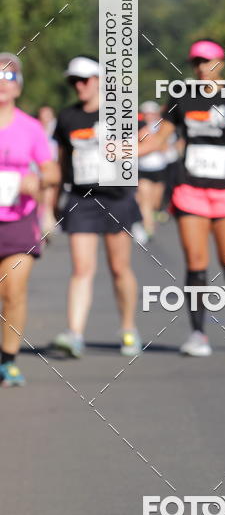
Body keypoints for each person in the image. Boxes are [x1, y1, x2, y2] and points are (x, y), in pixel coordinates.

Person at [142, 40, 225, 356]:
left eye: (207, 61)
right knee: (196, 263)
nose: (201, 67)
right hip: (190, 189)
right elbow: (161, 138)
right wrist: (127, 152)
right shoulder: (181, 97)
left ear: (220, 63)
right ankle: (198, 334)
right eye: (196, 62)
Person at [51, 56, 143, 358]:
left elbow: (151, 141)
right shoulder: (66, 118)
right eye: (73, 81)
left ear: (100, 80)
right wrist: (55, 199)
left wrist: (125, 150)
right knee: (81, 269)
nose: (79, 85)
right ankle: (74, 334)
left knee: (119, 268)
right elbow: (62, 160)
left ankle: (128, 328)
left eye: (84, 80)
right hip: (81, 198)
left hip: (115, 197)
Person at [0, 54, 59, 386]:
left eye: (9, 77)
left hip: (19, 221)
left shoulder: (30, 128)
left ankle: (7, 361)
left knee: (13, 291)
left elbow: (50, 169)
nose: (2, 83)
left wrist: (38, 180)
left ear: (19, 87)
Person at [136, 101, 168, 241]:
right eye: (146, 113)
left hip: (160, 168)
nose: (149, 116)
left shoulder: (162, 127)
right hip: (143, 168)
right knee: (145, 201)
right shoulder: (138, 127)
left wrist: (155, 144)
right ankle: (148, 228)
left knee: (155, 201)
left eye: (151, 113)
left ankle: (153, 216)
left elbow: (165, 146)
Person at [37, 105, 59, 234]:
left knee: (50, 193)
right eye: (43, 115)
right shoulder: (36, 128)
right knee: (41, 194)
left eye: (48, 115)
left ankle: (49, 218)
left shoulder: (56, 129)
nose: (46, 118)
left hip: (53, 165)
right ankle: (42, 219)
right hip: (38, 167)